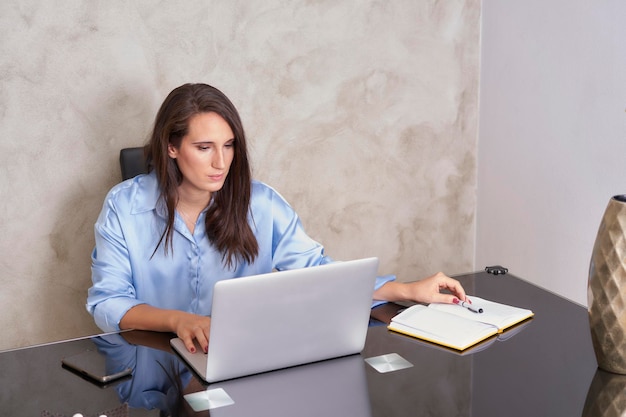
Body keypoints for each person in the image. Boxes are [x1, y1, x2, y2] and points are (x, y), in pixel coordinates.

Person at [87, 83, 468, 354]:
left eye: (229, 145)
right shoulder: (124, 207)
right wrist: (179, 321)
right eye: (204, 148)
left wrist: (405, 290)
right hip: (154, 365)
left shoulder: (261, 204)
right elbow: (109, 302)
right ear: (171, 147)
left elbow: (319, 273)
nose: (221, 162)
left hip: (244, 360)